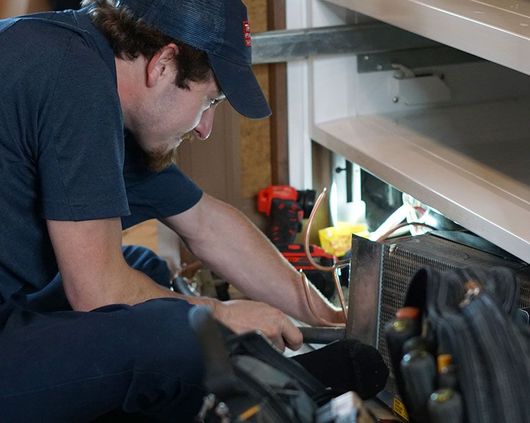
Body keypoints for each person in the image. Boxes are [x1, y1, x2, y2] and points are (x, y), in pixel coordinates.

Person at [0, 0, 345, 421]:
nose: (204, 128)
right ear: (163, 64)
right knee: (174, 338)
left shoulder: (78, 59)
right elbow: (97, 293)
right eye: (210, 102)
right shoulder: (76, 85)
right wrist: (220, 316)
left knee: (144, 268)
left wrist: (326, 319)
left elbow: (207, 223)